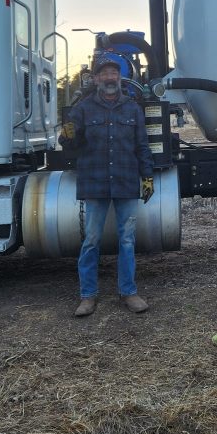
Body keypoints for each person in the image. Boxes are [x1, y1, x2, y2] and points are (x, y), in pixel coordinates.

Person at [59, 56, 155, 317]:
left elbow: (142, 146)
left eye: (114, 72)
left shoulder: (132, 109)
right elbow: (71, 144)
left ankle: (129, 292)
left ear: (119, 77)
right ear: (97, 79)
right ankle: (87, 297)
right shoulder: (83, 109)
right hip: (95, 183)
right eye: (105, 74)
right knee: (91, 240)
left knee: (127, 240)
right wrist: (66, 136)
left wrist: (147, 176)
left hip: (125, 181)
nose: (110, 77)